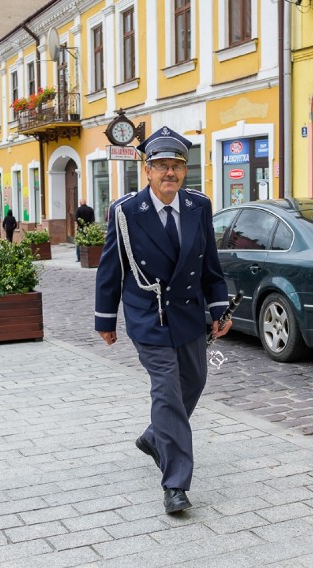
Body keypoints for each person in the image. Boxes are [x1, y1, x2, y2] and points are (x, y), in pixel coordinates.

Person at [94, 126, 232, 515]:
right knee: (168, 392)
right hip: (148, 314)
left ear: (184, 171)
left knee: (195, 380)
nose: (169, 173)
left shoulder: (198, 206)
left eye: (176, 166)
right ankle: (175, 484)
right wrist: (106, 319)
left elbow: (209, 263)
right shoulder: (126, 212)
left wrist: (219, 308)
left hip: (187, 312)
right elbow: (111, 268)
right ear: (147, 170)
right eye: (161, 166)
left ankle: (156, 436)